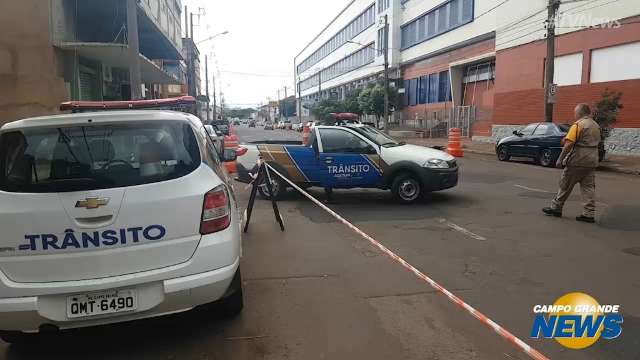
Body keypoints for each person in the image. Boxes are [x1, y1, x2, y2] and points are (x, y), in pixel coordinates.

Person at [543, 103, 601, 223]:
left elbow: (569, 143)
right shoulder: (595, 125)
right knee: (588, 188)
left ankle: (556, 208)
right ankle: (588, 214)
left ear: (580, 113)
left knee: (565, 184)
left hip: (577, 160)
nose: (574, 115)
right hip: (591, 161)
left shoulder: (578, 125)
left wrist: (560, 159)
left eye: (575, 112)